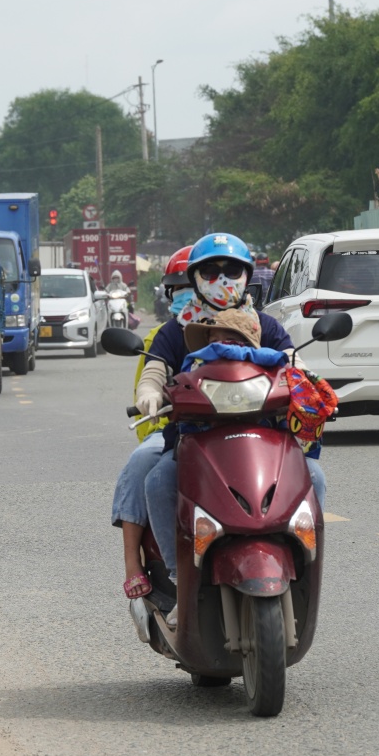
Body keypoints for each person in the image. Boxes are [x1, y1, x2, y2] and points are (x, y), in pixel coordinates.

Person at [137, 233, 326, 589]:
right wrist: (149, 392)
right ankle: (178, 575)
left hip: (266, 437)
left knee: (314, 477)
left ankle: (304, 562)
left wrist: (312, 386)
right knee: (159, 481)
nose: (221, 280)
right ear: (193, 278)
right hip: (195, 439)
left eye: (231, 271)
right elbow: (154, 370)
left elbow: (293, 364)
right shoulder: (176, 331)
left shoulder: (265, 326)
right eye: (210, 271)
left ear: (246, 276)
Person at [112, 246, 191, 600]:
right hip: (176, 428)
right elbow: (150, 380)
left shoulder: (253, 326)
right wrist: (151, 397)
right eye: (183, 288)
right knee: (145, 465)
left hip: (236, 427)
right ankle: (134, 561)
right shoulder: (166, 335)